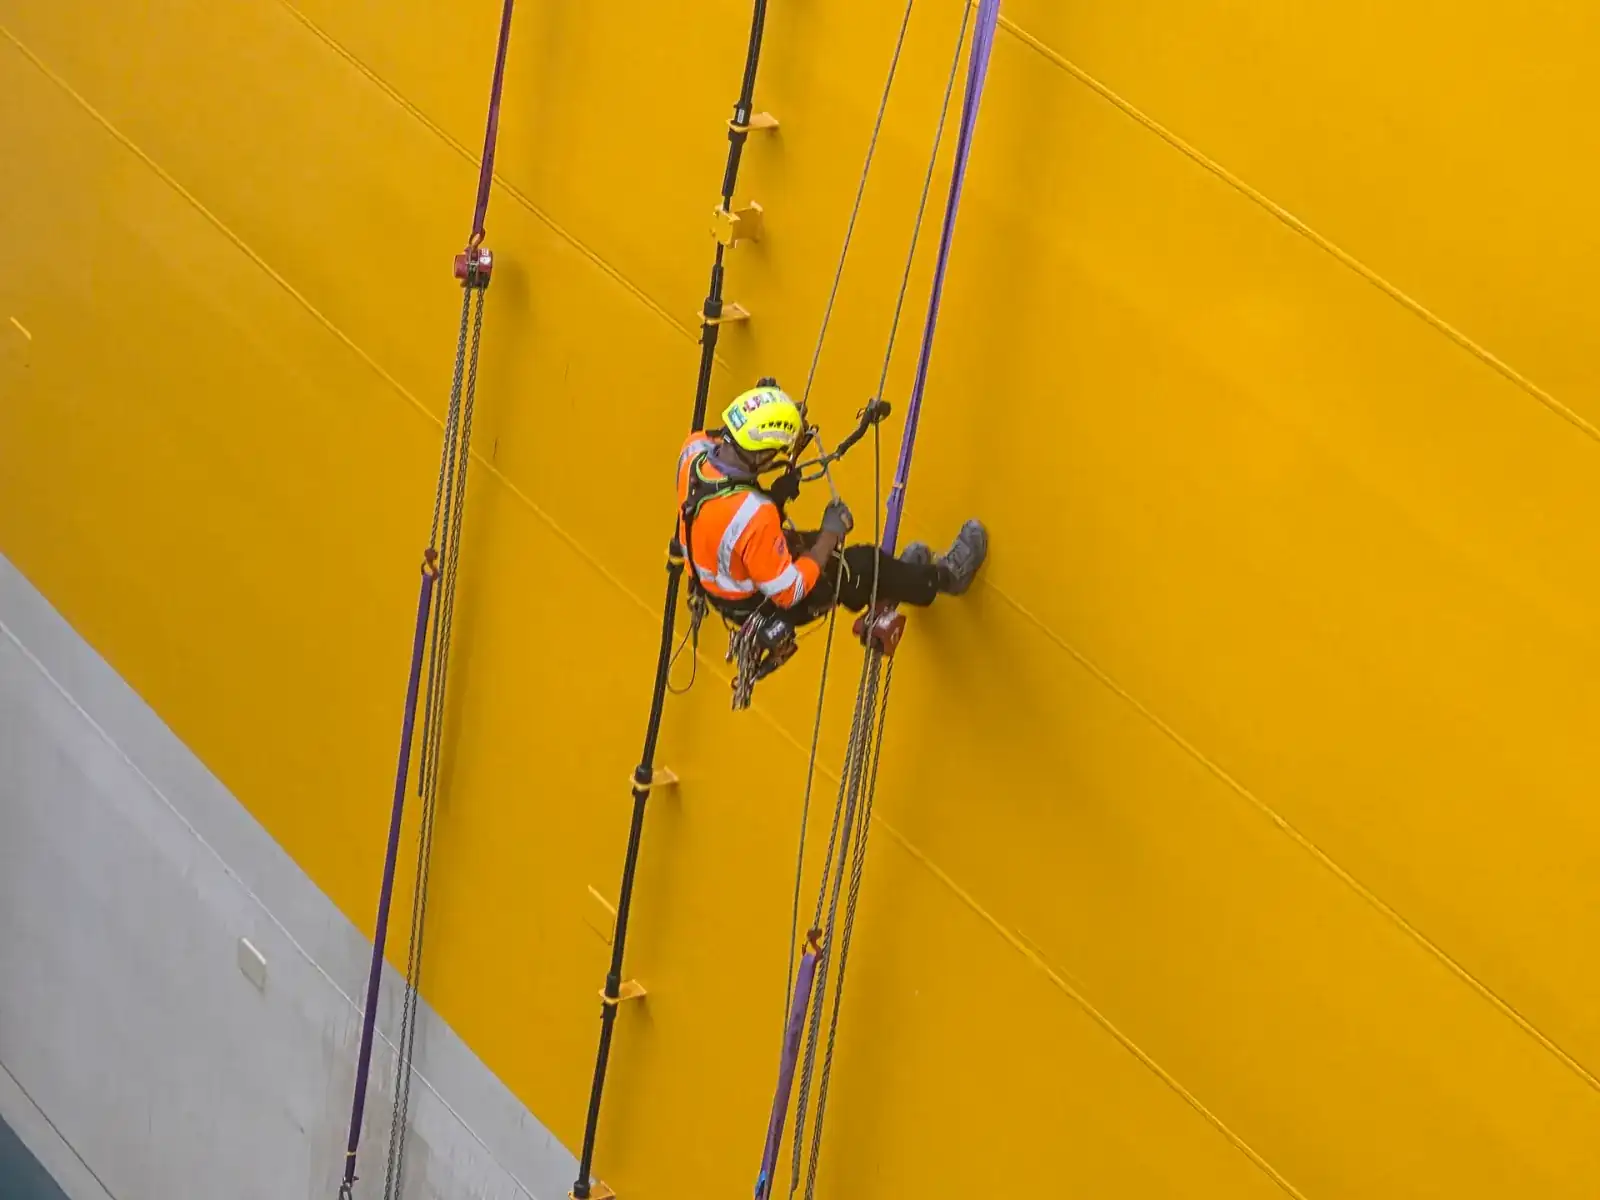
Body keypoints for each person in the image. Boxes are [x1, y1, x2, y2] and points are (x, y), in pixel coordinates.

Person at [676, 380, 987, 631]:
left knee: (821, 552)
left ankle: (899, 578)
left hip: (723, 578)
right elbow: (789, 591)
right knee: (861, 567)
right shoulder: (755, 515)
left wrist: (771, 412)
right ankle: (943, 579)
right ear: (759, 455)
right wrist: (830, 532)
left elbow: (728, 516)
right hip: (761, 604)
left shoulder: (694, 450)